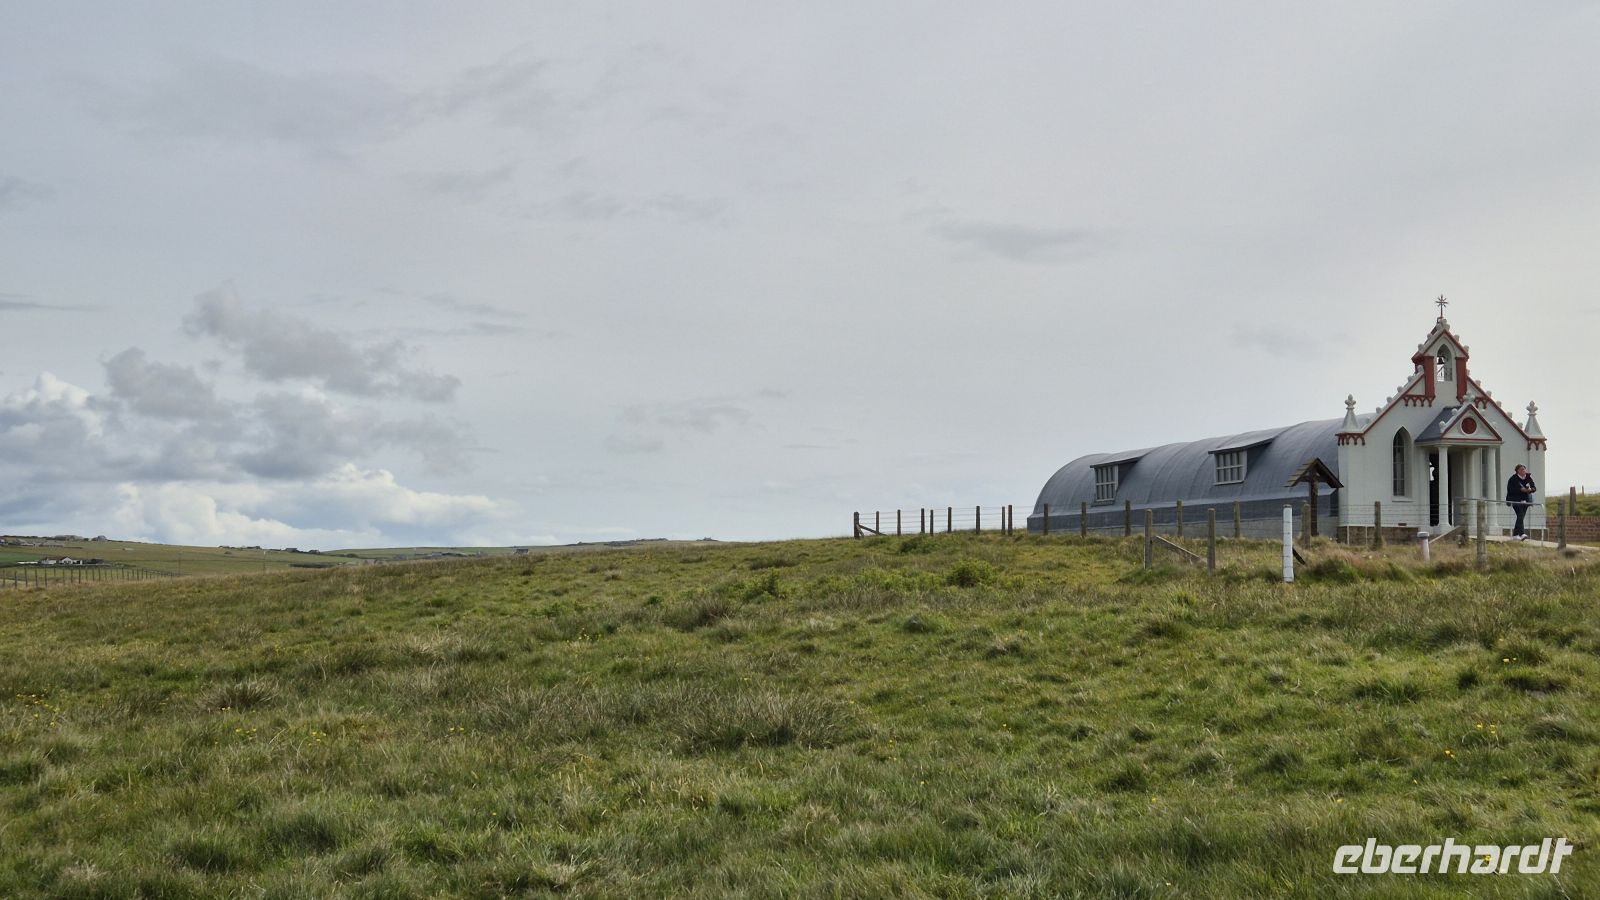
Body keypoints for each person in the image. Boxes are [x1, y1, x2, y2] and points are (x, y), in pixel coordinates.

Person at [1505, 464, 1537, 541]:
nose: (1524, 471)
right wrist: (1522, 490)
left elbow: (1534, 488)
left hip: (1526, 500)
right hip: (1515, 500)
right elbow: (1512, 490)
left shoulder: (1528, 478)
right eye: (1522, 469)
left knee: (1521, 517)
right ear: (1518, 471)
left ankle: (1519, 534)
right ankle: (1518, 534)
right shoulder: (1513, 479)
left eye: (1524, 469)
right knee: (1520, 515)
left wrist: (1530, 490)